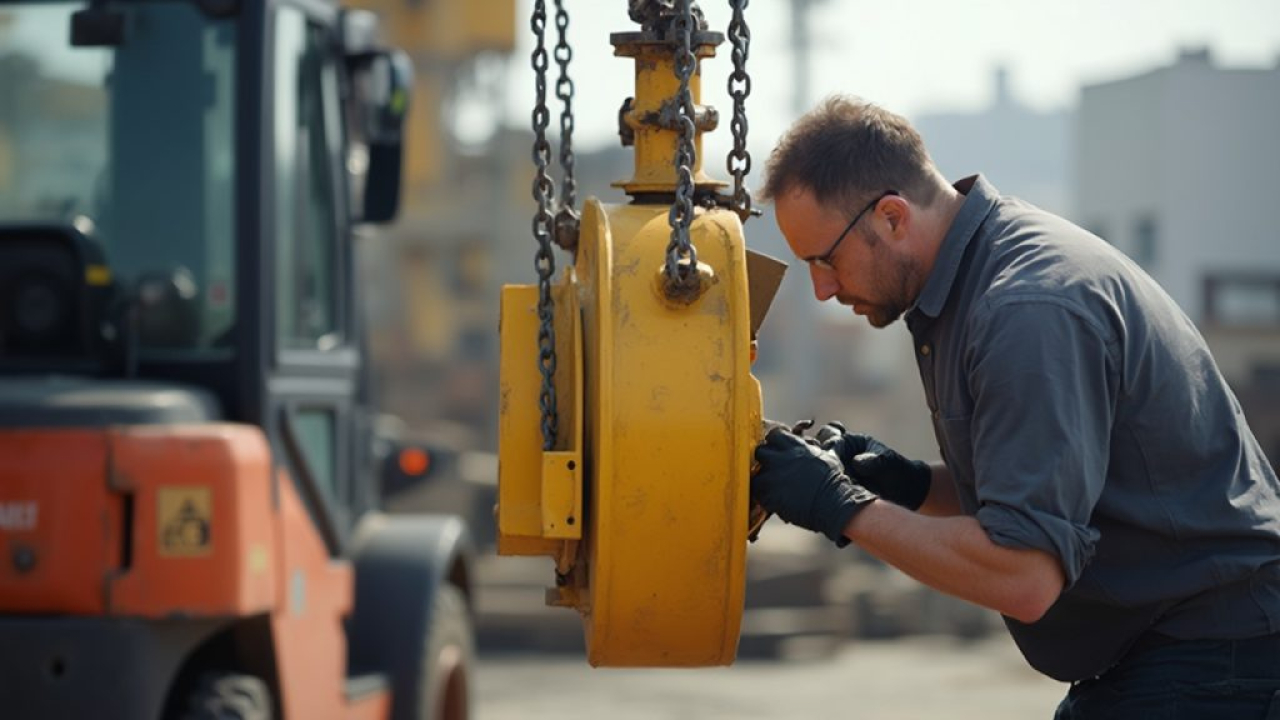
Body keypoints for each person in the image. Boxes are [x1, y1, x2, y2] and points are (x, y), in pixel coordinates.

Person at [752, 95, 1280, 718]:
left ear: (893, 217)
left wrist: (840, 505)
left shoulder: (1025, 309)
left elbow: (1022, 575)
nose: (822, 288)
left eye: (826, 259)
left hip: (1218, 661)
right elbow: (1045, 495)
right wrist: (908, 483)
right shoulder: (974, 277)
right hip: (1181, 651)